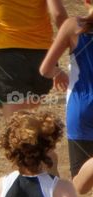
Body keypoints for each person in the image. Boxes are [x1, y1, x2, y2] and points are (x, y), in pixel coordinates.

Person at [0, 0, 67, 117]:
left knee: (18, 126)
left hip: (10, 59)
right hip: (43, 57)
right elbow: (58, 14)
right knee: (30, 118)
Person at [39, 3, 93, 176]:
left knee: (80, 182)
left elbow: (45, 69)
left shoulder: (72, 26)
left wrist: (58, 72)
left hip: (81, 109)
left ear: (86, 1)